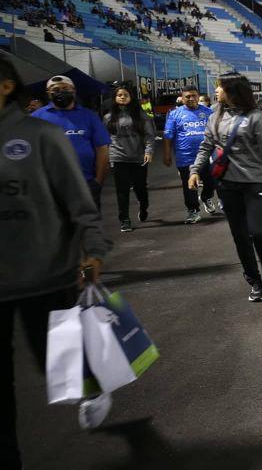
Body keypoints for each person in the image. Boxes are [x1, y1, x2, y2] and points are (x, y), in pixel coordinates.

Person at [1, 57, 113, 466]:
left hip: (44, 272)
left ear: (6, 86)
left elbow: (79, 201)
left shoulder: (41, 136)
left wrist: (94, 248)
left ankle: (93, 385)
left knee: (58, 359)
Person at [189, 73, 262, 302]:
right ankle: (254, 281)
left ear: (233, 91)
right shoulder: (215, 116)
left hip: (256, 183)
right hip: (227, 185)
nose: (216, 91)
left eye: (219, 88)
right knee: (240, 236)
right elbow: (206, 146)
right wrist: (195, 170)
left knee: (257, 232)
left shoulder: (256, 117)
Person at [31, 76, 110, 209]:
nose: (60, 92)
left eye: (65, 88)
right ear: (48, 93)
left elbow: (102, 149)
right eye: (55, 89)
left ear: (73, 91)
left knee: (88, 227)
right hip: (50, 188)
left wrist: (97, 182)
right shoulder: (37, 118)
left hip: (85, 184)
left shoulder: (89, 116)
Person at [104, 84, 156, 232]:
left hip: (138, 157)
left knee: (140, 187)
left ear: (131, 97)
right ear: (114, 98)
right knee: (122, 190)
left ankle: (143, 205)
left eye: (125, 95)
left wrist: (149, 151)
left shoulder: (141, 115)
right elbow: (104, 139)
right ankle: (125, 219)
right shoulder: (108, 117)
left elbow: (149, 136)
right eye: (119, 95)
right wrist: (106, 157)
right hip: (118, 157)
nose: (122, 97)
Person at [163, 85, 217, 223]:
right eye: (187, 96)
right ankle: (193, 210)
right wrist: (167, 154)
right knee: (190, 185)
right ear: (182, 98)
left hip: (206, 156)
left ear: (198, 97)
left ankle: (206, 196)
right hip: (185, 156)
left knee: (211, 182)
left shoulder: (208, 112)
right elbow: (168, 136)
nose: (191, 99)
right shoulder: (174, 114)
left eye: (194, 96)